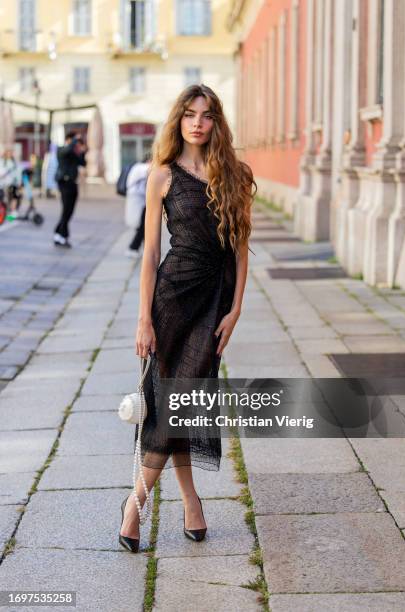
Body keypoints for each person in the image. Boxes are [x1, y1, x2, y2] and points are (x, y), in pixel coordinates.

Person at [118, 84, 256, 553]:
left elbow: (239, 249)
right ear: (179, 120)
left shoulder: (236, 174)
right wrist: (143, 318)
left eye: (207, 115)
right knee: (177, 402)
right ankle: (150, 504)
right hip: (172, 298)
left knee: (187, 398)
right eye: (190, 114)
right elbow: (152, 251)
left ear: (217, 122)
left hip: (214, 301)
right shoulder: (162, 175)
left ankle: (156, 503)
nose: (198, 122)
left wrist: (236, 309)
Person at [53, 131, 87, 247]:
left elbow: (82, 163)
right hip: (64, 183)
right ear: (68, 140)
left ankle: (58, 233)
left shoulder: (73, 152)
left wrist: (82, 152)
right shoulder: (61, 150)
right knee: (66, 210)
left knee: (69, 211)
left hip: (72, 183)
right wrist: (75, 140)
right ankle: (63, 236)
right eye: (73, 141)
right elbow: (67, 150)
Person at [124, 155, 151, 259]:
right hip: (137, 201)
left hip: (141, 201)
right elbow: (153, 169)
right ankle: (132, 248)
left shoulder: (140, 168)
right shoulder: (140, 167)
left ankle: (143, 248)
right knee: (142, 226)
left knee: (144, 226)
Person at [0, 150, 22, 219]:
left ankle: (12, 214)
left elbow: (18, 173)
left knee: (14, 197)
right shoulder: (2, 162)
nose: (9, 155)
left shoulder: (14, 163)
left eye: (10, 153)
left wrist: (19, 182)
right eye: (8, 153)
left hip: (12, 183)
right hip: (2, 184)